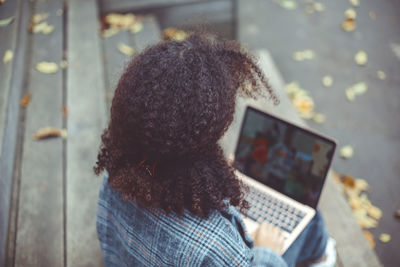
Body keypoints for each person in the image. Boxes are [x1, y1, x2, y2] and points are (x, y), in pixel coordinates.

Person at [94, 33, 336, 267]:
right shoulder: (216, 245)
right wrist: (266, 251)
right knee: (312, 221)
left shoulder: (117, 174)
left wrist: (212, 180)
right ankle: (323, 258)